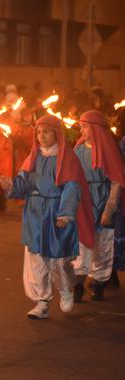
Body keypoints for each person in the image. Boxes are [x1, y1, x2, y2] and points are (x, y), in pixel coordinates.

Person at [0, 115, 95, 319]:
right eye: (38, 132)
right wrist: (11, 185)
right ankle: (41, 301)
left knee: (58, 259)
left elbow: (72, 186)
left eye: (46, 132)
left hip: (56, 213)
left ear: (56, 134)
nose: (41, 136)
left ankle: (66, 289)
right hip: (34, 214)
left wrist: (65, 213)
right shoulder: (33, 157)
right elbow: (23, 183)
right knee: (35, 259)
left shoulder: (67, 158)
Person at [71, 110, 124, 301]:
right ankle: (78, 280)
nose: (82, 130)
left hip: (102, 200)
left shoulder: (108, 151)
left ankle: (99, 282)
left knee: (103, 244)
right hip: (84, 202)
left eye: (85, 126)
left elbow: (116, 181)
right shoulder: (78, 150)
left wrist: (109, 209)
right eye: (81, 126)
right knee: (82, 241)